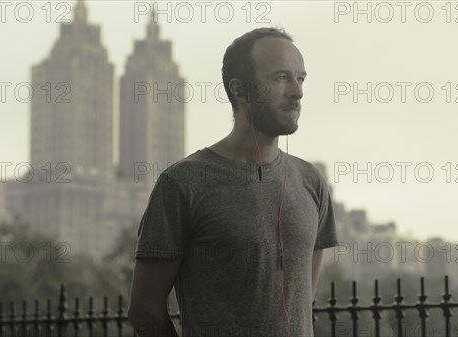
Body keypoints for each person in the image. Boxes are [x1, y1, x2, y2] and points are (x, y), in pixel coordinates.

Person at [127, 27, 338, 337]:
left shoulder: (311, 182)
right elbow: (144, 310)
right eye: (281, 78)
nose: (297, 91)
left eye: (300, 78)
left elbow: (300, 301)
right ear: (240, 91)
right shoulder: (183, 183)